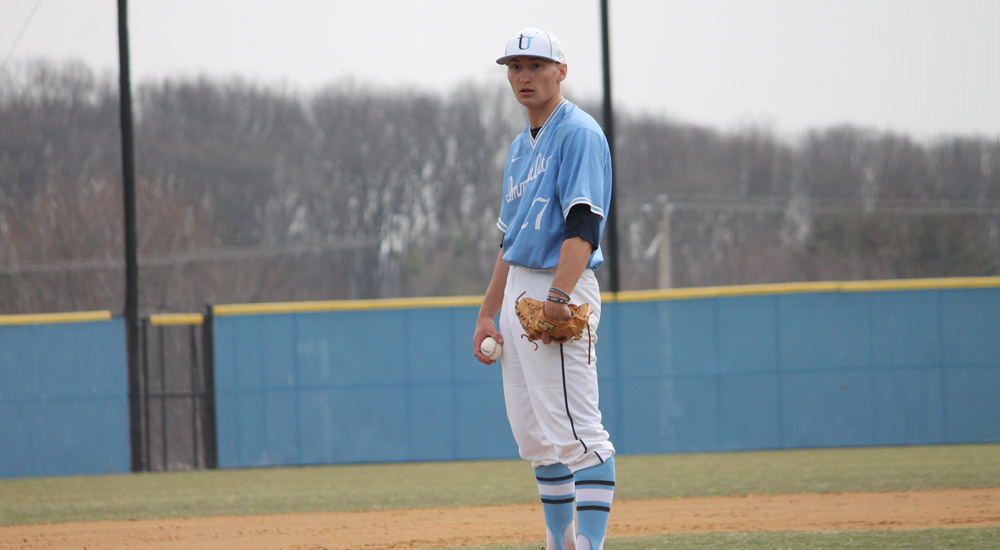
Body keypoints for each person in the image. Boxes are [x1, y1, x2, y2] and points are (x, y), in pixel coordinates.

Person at [472, 27, 616, 550]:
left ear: (561, 71)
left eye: (535, 65)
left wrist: (559, 296)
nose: (524, 76)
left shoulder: (579, 133)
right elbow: (509, 241)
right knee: (537, 438)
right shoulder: (518, 148)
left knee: (581, 436)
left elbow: (584, 225)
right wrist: (488, 313)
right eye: (515, 67)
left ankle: (589, 545)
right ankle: (560, 542)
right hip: (518, 291)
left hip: (560, 286)